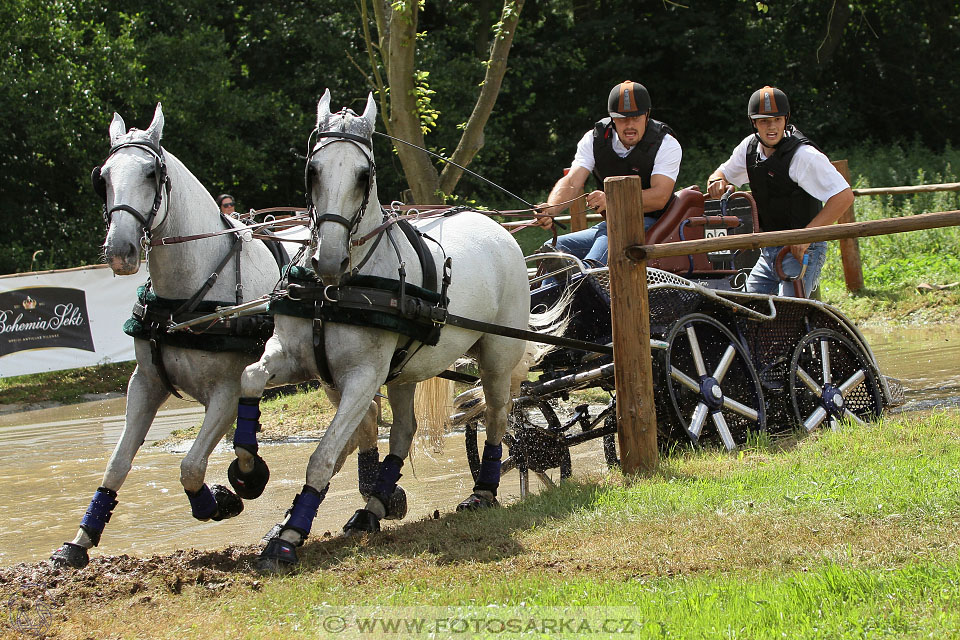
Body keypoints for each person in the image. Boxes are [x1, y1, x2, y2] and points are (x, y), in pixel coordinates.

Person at [706, 86, 854, 297]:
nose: (772, 126)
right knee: (747, 309)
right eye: (765, 121)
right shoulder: (748, 148)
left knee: (787, 315)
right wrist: (717, 181)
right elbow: (722, 173)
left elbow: (844, 196)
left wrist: (805, 237)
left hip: (803, 250)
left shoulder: (804, 155)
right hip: (769, 249)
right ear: (754, 122)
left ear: (786, 119)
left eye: (777, 119)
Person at [535, 80, 682, 265]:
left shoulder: (666, 144)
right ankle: (553, 295)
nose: (629, 125)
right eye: (622, 119)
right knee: (552, 252)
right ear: (612, 118)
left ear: (647, 115)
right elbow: (572, 181)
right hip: (612, 225)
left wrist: (611, 201)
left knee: (593, 264)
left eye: (635, 118)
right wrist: (551, 209)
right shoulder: (594, 139)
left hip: (655, 224)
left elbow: (660, 196)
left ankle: (581, 289)